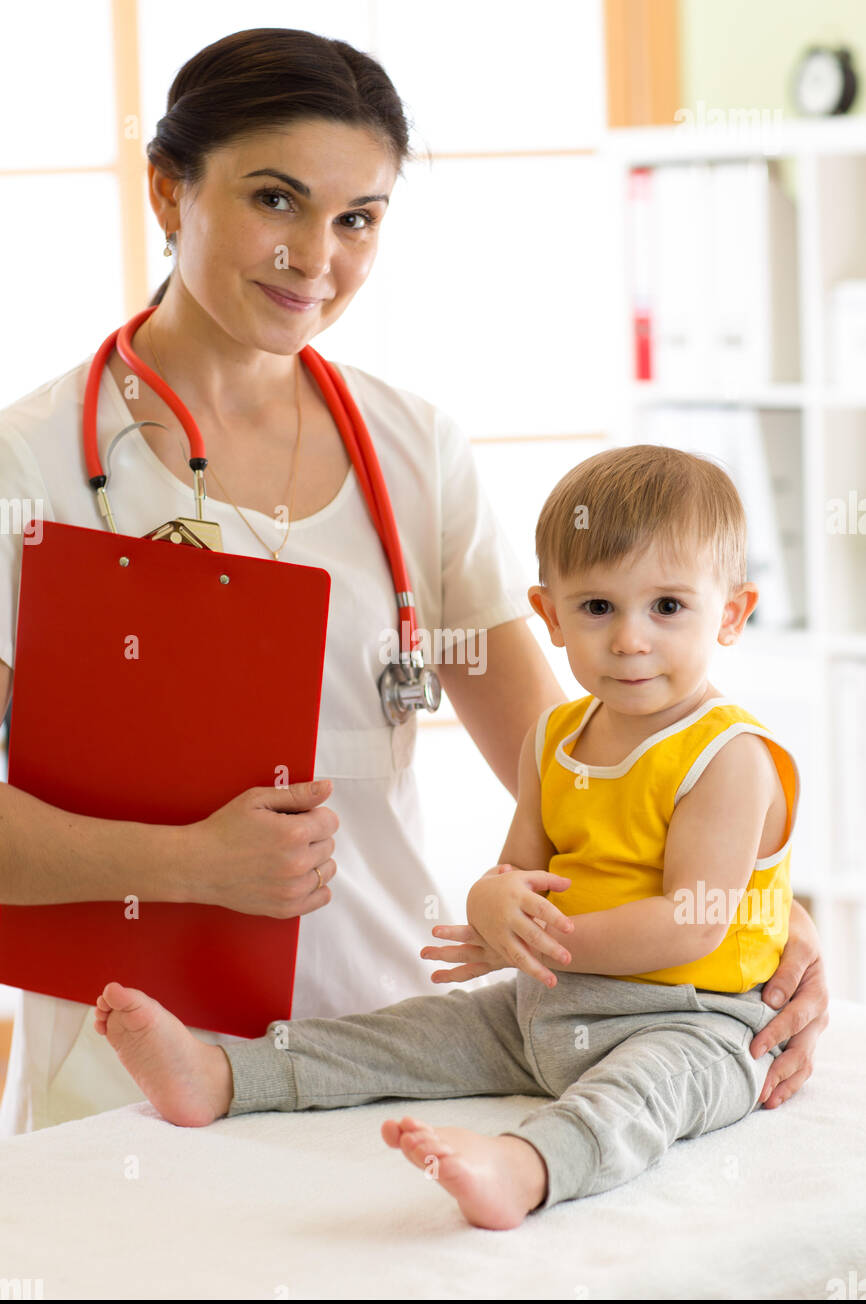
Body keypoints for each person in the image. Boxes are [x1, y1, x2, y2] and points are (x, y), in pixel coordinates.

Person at [0, 30, 826, 1136]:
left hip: (381, 1052)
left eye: (357, 219)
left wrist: (754, 911)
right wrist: (189, 863)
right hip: (120, 1079)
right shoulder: (32, 463)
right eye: (275, 200)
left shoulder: (411, 449)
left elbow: (592, 758)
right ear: (168, 187)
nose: (315, 257)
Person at [96, 446, 822, 1231]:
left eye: (669, 607)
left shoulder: (729, 755)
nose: (630, 641)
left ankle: (525, 1165)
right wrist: (493, 904)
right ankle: (225, 1075)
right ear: (548, 616)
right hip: (548, 1003)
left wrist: (536, 943)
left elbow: (694, 920)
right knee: (407, 1032)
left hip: (696, 1019)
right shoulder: (554, 736)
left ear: (732, 614)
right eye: (598, 608)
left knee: (644, 1093)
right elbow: (518, 869)